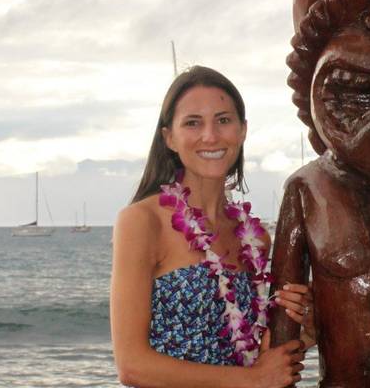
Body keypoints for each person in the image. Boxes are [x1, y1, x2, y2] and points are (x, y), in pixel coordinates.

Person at [111, 66, 314, 387]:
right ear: (170, 138)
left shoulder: (256, 239)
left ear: (242, 130)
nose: (211, 136)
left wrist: (304, 328)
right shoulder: (142, 221)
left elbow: (252, 352)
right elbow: (132, 365)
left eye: (223, 120)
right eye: (193, 122)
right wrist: (253, 380)